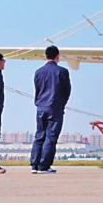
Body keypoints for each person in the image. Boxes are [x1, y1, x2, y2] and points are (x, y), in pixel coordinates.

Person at [30, 46, 71, 174]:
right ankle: (44, 165)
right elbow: (67, 91)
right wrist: (62, 103)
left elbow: (37, 89)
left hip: (41, 107)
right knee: (51, 137)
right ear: (57, 56)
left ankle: (34, 164)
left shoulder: (38, 72)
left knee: (39, 135)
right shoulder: (62, 71)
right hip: (55, 107)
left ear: (45, 56)